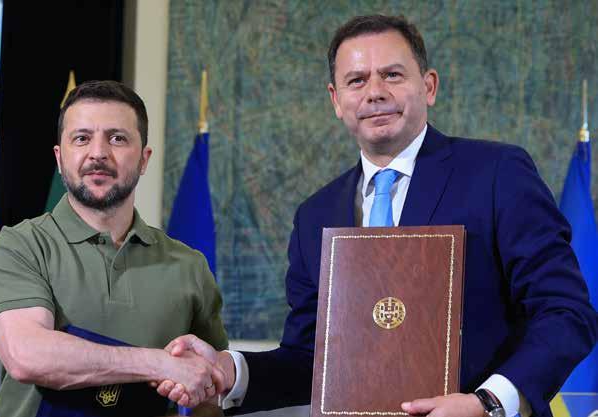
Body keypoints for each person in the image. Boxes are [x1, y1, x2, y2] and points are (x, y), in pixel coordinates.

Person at [158, 15, 597, 417]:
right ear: (336, 99)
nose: (374, 92)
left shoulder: (497, 174)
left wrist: (488, 403)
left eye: (392, 75)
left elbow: (566, 311)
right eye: (356, 80)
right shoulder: (315, 216)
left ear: (429, 86)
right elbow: (309, 360)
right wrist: (229, 370)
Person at [0, 80, 232, 417]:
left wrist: (201, 392)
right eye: (82, 138)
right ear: (59, 158)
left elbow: (208, 390)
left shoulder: (189, 265)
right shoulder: (19, 247)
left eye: (117, 138)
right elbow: (27, 356)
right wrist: (160, 364)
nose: (98, 153)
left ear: (144, 159)